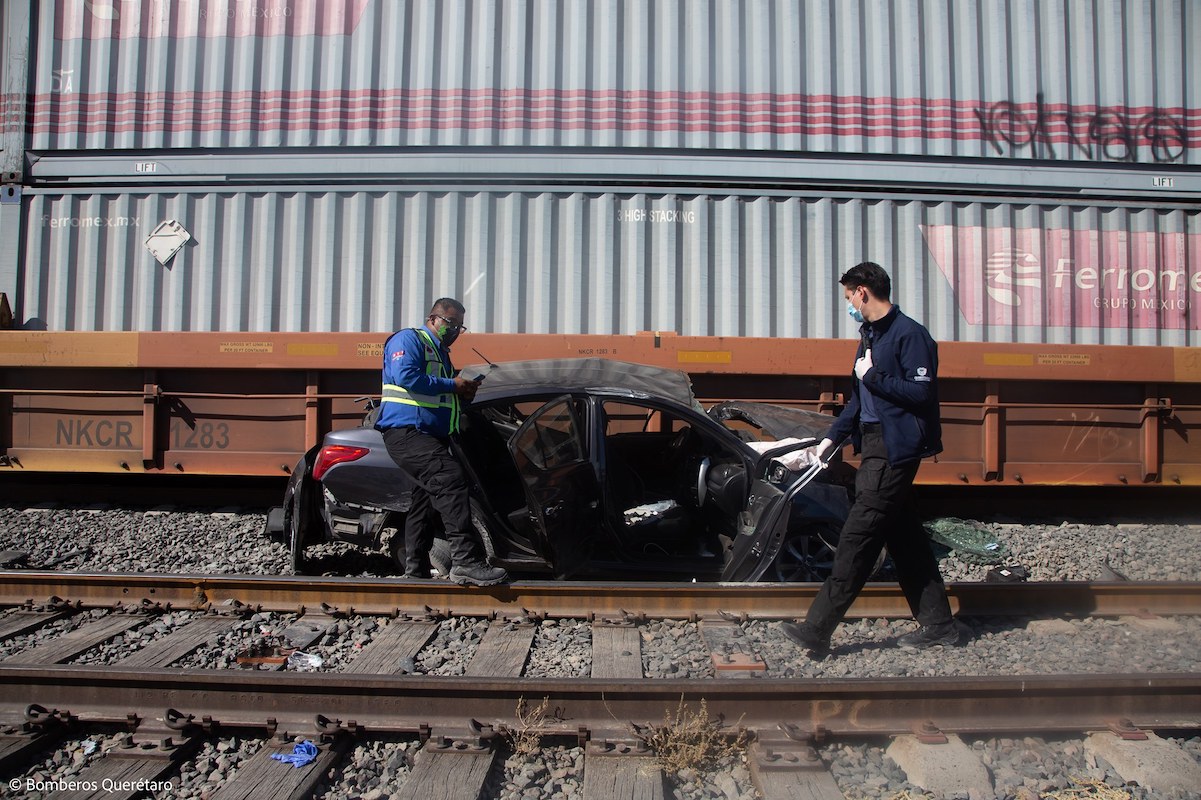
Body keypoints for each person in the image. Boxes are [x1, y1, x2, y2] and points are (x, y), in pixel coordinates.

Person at [781, 262, 959, 656]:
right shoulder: (870, 337)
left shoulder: (910, 335)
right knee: (905, 538)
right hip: (874, 445)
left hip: (895, 450)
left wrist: (874, 376)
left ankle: (817, 628)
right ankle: (939, 625)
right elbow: (858, 402)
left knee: (857, 538)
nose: (849, 306)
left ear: (863, 292)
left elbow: (921, 395)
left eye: (849, 297)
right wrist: (830, 441)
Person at [376, 298, 509, 586]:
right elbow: (406, 376)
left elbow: (438, 395)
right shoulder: (409, 339)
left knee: (422, 502)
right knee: (450, 480)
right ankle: (465, 562)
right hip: (407, 432)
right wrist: (453, 385)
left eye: (460, 326)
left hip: (428, 435)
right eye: (451, 324)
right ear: (434, 318)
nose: (455, 330)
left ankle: (415, 569)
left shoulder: (441, 353)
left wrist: (464, 392)